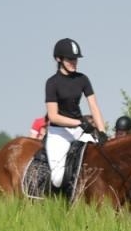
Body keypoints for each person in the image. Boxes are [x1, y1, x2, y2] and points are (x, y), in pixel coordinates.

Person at [44, 38, 107, 191]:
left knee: (102, 160)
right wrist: (78, 123)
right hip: (59, 133)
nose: (74, 62)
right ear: (59, 59)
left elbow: (94, 106)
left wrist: (102, 131)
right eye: (70, 59)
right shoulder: (52, 83)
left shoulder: (82, 79)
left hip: (80, 130)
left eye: (76, 59)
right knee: (57, 178)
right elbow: (53, 116)